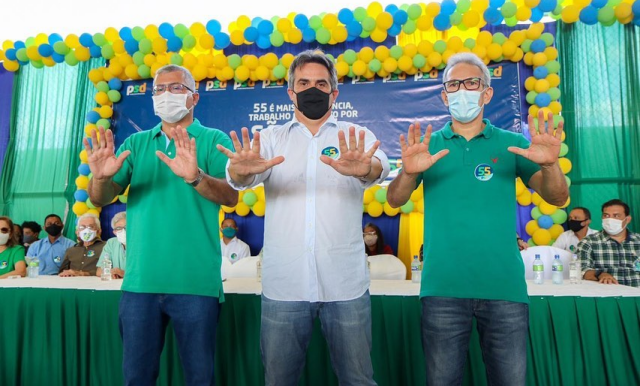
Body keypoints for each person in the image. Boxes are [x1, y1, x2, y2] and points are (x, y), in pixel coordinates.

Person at [386, 53, 568, 386]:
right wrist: (408, 174)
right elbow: (395, 199)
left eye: (472, 83)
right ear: (444, 95)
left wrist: (550, 165)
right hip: (442, 288)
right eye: (453, 84)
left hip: (504, 289)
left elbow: (557, 198)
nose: (462, 90)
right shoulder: (429, 146)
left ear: (486, 93)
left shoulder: (512, 144)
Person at [218, 49, 389, 386]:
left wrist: (366, 167)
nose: (313, 89)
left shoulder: (356, 137)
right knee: (279, 380)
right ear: (291, 92)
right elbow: (242, 176)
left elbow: (378, 167)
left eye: (322, 83)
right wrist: (238, 173)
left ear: (334, 92)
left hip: (345, 286)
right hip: (285, 287)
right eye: (304, 83)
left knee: (359, 380)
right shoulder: (269, 139)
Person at [85, 64, 237, 385]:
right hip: (140, 285)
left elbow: (231, 196)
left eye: (175, 88)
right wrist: (100, 179)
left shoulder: (212, 140)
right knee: (137, 379)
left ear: (194, 97)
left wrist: (195, 177)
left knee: (200, 379)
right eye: (159, 89)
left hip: (196, 284)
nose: (165, 95)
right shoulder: (137, 144)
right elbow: (101, 198)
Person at [578, 199, 640, 287]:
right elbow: (581, 270)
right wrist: (600, 274)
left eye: (616, 216)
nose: (610, 220)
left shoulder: (638, 241)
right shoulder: (589, 242)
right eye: (606, 215)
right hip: (607, 296)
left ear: (627, 219)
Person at [97, 211, 127, 279]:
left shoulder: (142, 244)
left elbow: (150, 272)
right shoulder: (111, 243)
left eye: (126, 227)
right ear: (114, 232)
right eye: (119, 228)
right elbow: (99, 271)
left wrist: (124, 273)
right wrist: (111, 272)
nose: (124, 231)